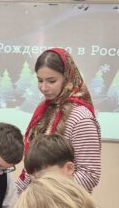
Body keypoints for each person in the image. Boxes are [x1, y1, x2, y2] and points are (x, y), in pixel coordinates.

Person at [20, 48, 101, 193]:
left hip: (65, 203)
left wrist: (48, 190)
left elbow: (89, 175)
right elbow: (32, 168)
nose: (44, 87)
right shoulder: (46, 109)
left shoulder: (81, 118)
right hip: (39, 200)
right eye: (40, 80)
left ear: (67, 78)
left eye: (51, 81)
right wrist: (15, 195)